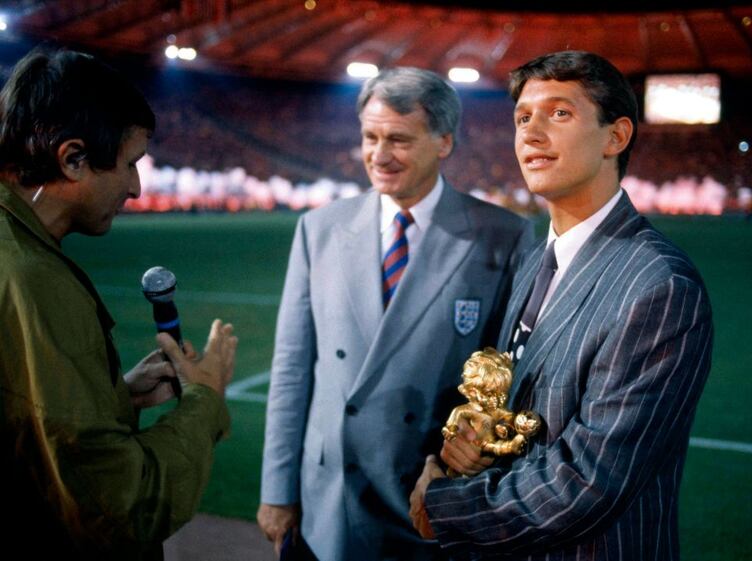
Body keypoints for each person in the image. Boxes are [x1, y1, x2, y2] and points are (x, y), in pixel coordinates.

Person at [409, 51, 713, 560]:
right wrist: (476, 444)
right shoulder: (534, 260)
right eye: (523, 117)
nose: (530, 132)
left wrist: (443, 504)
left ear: (616, 137)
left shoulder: (659, 286)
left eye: (559, 113)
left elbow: (589, 482)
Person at [257, 67, 532, 561]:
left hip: (426, 494)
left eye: (399, 140)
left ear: (444, 142)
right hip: (330, 494)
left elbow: (505, 378)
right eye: (370, 136)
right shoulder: (318, 230)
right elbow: (292, 370)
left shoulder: (502, 236)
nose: (379, 155)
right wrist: (277, 490)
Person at [0, 49, 238, 560]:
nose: (134, 187)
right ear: (72, 158)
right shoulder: (32, 277)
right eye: (129, 164)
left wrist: (113, 396)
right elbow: (123, 505)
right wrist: (204, 399)